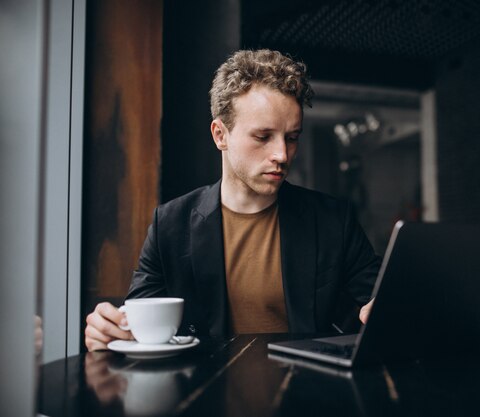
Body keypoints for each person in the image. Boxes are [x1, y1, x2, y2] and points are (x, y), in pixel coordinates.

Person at [85, 49, 380, 351]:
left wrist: (386, 309)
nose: (281, 154)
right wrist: (109, 332)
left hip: (309, 391)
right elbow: (135, 323)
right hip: (203, 393)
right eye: (263, 137)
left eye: (292, 137)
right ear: (220, 135)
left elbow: (380, 301)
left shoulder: (333, 220)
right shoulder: (170, 225)